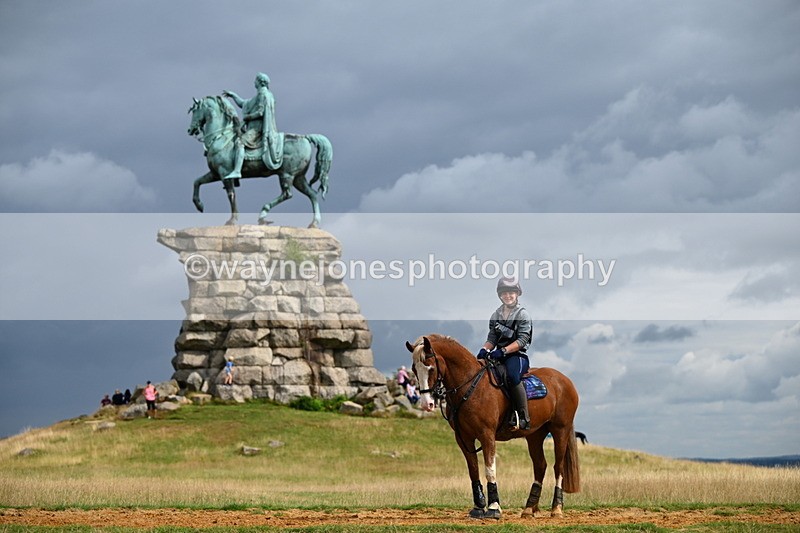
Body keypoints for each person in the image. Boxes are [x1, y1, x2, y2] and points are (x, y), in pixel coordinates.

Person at [477, 277, 533, 431]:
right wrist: (485, 349)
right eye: (504, 293)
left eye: (511, 292)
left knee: (512, 376)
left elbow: (522, 340)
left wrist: (503, 351)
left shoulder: (523, 315)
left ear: (517, 294)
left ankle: (523, 417)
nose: (507, 296)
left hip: (517, 356)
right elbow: (492, 338)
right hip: (498, 355)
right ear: (500, 295)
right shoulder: (496, 315)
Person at [223, 72, 283, 179]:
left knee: (240, 142)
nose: (253, 82)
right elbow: (244, 103)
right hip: (255, 128)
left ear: (260, 82)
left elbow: (260, 112)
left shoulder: (262, 95)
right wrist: (233, 95)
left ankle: (237, 171)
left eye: (255, 80)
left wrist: (247, 117)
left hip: (257, 129)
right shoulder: (265, 94)